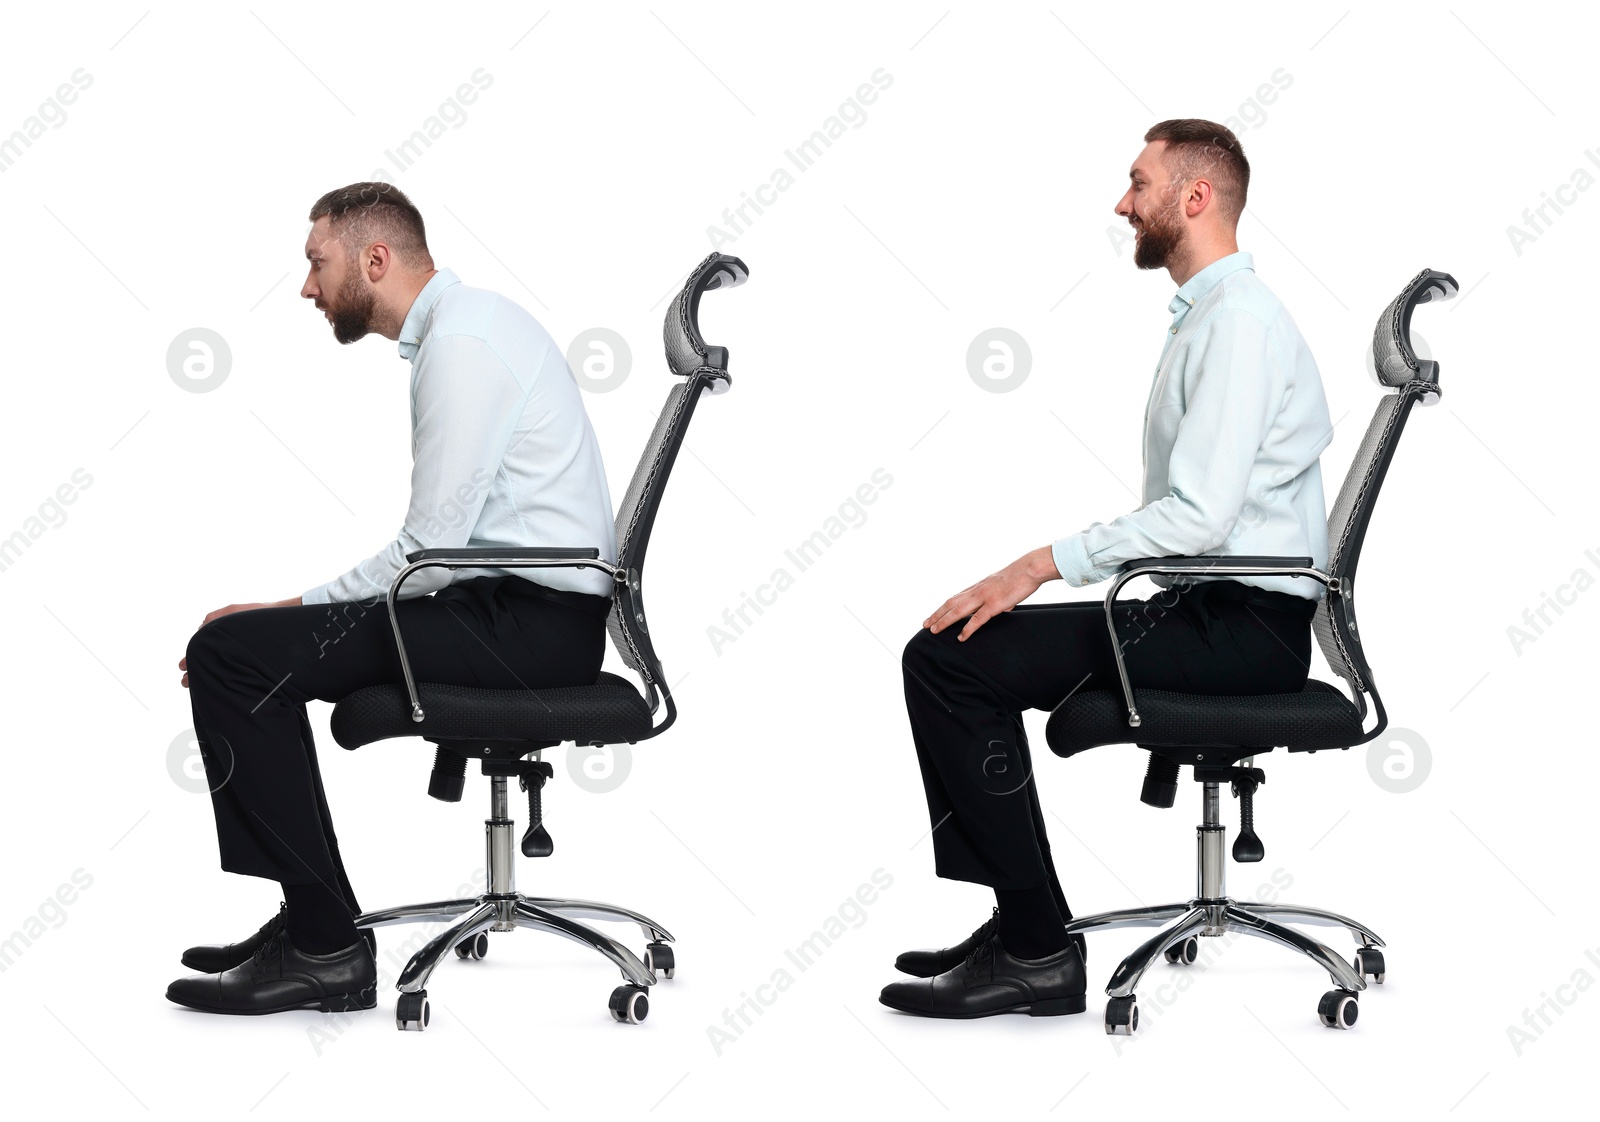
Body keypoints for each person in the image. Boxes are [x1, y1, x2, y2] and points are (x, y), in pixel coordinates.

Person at [879, 119, 1334, 1019]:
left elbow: (1200, 516)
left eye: (1140, 182)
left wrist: (1042, 564)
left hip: (1239, 630)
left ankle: (1038, 946)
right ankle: (1025, 920)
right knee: (950, 649)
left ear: (1194, 198)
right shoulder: (1217, 316)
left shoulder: (1238, 324)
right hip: (1217, 615)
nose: (1123, 203)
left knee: (947, 659)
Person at [168, 182, 617, 1016]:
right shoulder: (466, 329)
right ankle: (316, 923)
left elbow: (425, 555)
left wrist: (282, 612)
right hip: (515, 614)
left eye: (316, 262)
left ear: (374, 259)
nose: (306, 287)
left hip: (523, 626)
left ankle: (325, 944)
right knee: (242, 653)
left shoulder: (466, 344)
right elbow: (440, 555)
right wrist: (286, 619)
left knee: (230, 655)